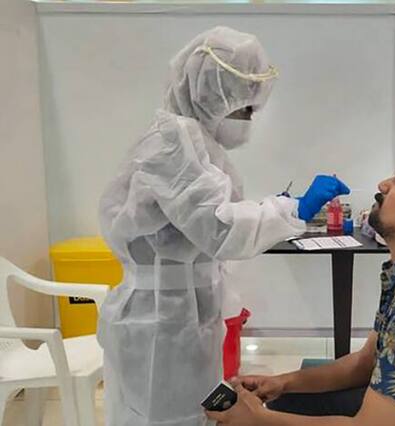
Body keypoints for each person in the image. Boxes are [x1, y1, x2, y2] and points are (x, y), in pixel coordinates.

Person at [97, 26, 349, 426]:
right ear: (209, 95)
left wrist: (279, 209)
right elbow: (218, 228)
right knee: (162, 418)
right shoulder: (172, 141)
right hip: (157, 321)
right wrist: (294, 209)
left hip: (182, 314)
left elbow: (209, 215)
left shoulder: (196, 142)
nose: (248, 120)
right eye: (243, 108)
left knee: (195, 414)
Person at [206, 146, 395, 426]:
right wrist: (282, 382)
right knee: (287, 400)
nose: (383, 185)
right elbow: (365, 363)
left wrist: (258, 419)